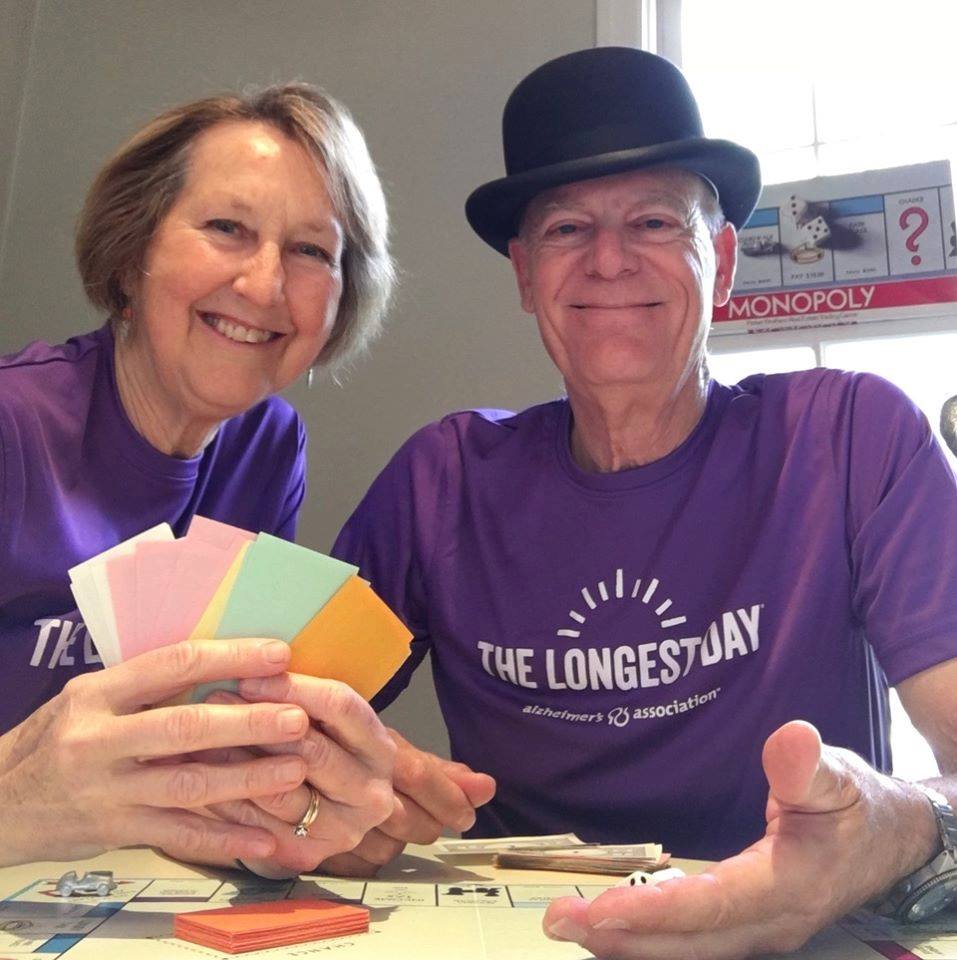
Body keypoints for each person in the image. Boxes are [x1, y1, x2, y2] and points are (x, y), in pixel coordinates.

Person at [331, 48, 957, 956]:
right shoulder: (441, 481)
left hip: (806, 938)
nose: (609, 261)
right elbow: (285, 728)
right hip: (537, 939)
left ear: (724, 259)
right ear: (523, 274)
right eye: (565, 229)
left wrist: (890, 830)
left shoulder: (850, 439)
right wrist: (335, 794)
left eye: (656, 221)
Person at [0, 83, 402, 876]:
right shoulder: (14, 427)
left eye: (311, 251)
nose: (264, 285)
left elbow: (213, 737)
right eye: (227, 228)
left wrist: (313, 792)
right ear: (132, 250)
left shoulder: (269, 448)